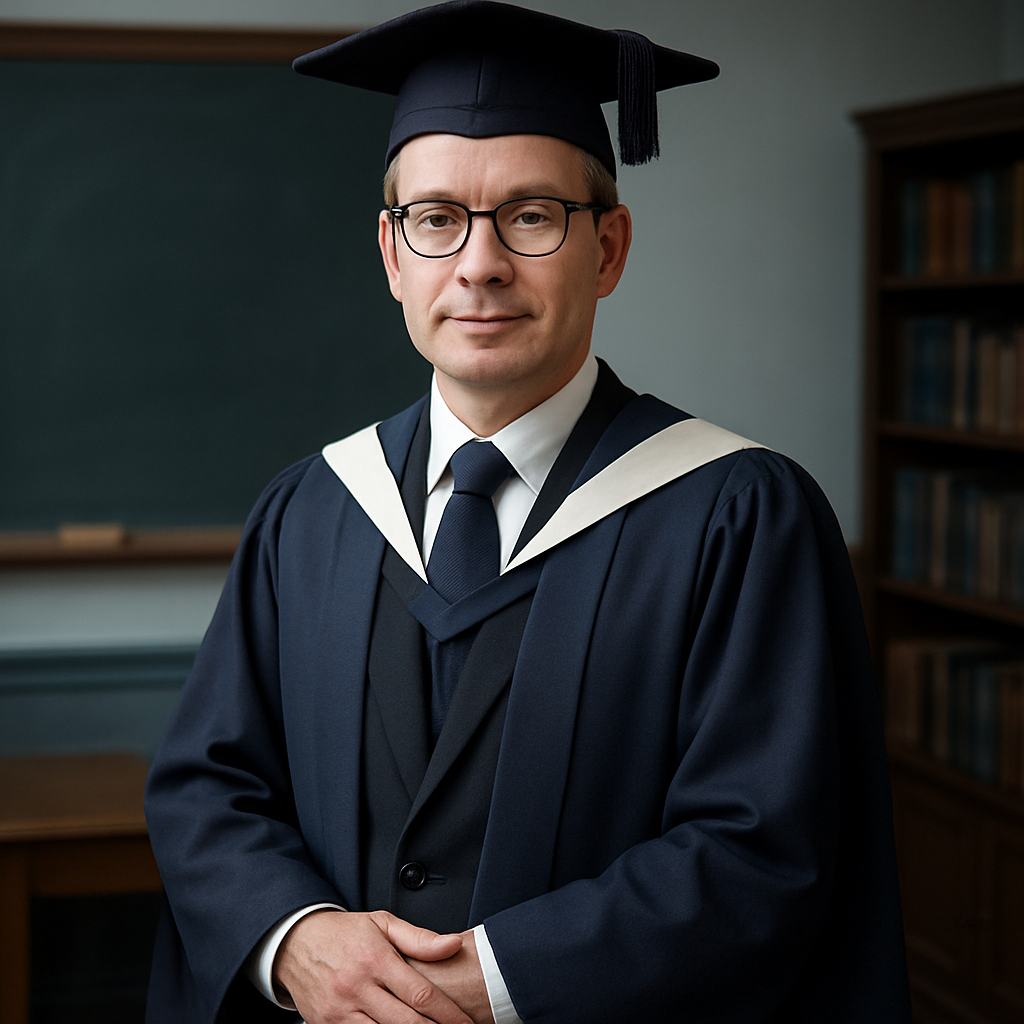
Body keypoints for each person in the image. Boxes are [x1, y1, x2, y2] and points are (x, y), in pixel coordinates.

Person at [144, 3, 911, 1023]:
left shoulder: (737, 514)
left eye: (531, 215)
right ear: (391, 256)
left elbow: (761, 847)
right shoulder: (310, 511)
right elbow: (208, 786)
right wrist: (295, 938)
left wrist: (496, 984)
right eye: (436, 220)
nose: (479, 264)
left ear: (607, 248)